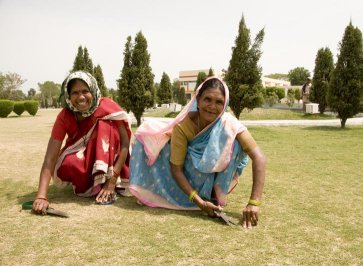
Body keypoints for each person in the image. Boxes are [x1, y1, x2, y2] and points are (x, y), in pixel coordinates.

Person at [129, 77, 266, 228]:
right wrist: (199, 202)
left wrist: (254, 202)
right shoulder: (184, 126)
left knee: (235, 143)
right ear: (198, 100)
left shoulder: (229, 124)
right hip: (189, 177)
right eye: (207, 99)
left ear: (225, 104)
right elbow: (176, 169)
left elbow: (258, 157)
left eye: (219, 102)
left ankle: (215, 195)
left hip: (212, 176)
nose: (212, 106)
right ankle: (200, 196)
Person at [33, 71, 132, 214]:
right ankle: (92, 185)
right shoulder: (65, 116)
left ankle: (107, 181)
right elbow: (50, 157)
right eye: (75, 93)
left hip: (114, 162)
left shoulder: (106, 108)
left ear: (93, 91)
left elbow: (124, 143)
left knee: (105, 126)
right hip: (83, 161)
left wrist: (112, 180)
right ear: (68, 95)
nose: (80, 97)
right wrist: (41, 196)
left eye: (85, 91)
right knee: (69, 163)